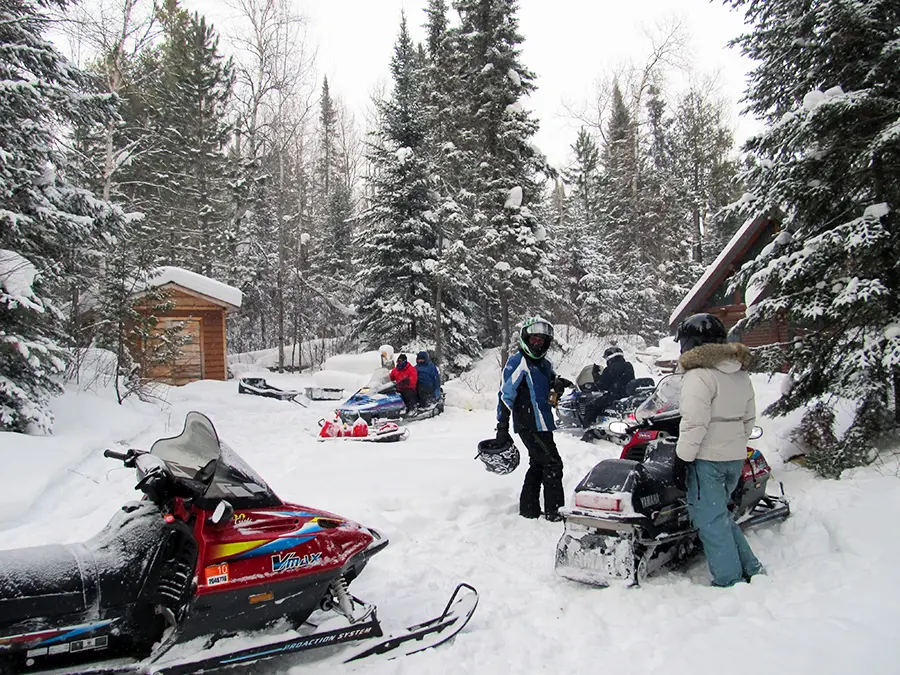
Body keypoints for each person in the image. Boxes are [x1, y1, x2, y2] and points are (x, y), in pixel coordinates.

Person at [674, 313, 763, 587]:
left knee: (710, 521)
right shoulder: (739, 373)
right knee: (719, 515)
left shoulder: (698, 375)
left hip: (706, 458)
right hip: (734, 457)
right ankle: (751, 567)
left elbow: (694, 423)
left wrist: (682, 459)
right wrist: (734, 443)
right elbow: (749, 419)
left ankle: (728, 579)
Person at [495, 316, 569, 521]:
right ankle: (555, 512)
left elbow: (549, 391)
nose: (537, 343)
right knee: (553, 464)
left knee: (538, 463)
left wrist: (558, 385)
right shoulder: (518, 362)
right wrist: (502, 427)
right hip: (528, 423)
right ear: (526, 339)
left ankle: (529, 509)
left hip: (543, 423)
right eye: (534, 339)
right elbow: (505, 395)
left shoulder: (545, 365)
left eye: (541, 340)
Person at [582, 346, 636, 428]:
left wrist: (595, 375)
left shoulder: (610, 368)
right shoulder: (628, 365)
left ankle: (588, 430)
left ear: (610, 357)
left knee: (590, 406)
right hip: (628, 395)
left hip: (614, 396)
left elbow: (602, 386)